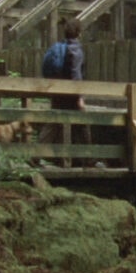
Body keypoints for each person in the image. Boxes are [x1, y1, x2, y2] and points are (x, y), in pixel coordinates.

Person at [39, 18, 93, 166]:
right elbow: (76, 74)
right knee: (82, 125)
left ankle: (34, 156)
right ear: (79, 33)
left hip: (58, 92)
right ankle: (89, 160)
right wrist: (80, 97)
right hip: (70, 95)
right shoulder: (75, 50)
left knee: (53, 123)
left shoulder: (60, 46)